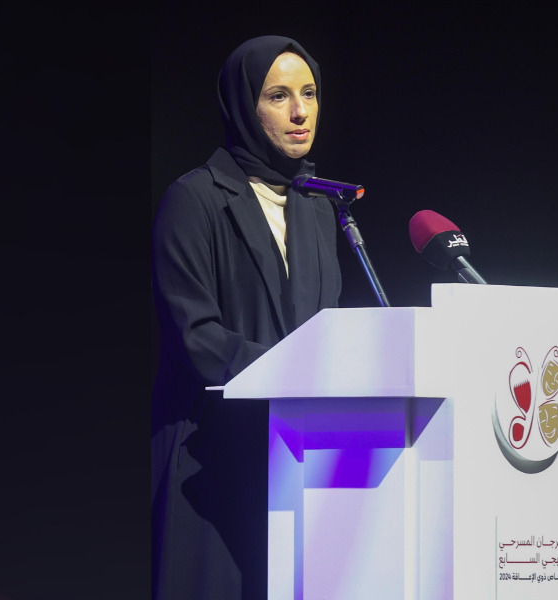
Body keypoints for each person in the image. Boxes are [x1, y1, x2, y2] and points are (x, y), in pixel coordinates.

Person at [150, 35, 342, 600]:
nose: (301, 111)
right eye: (278, 95)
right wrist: (296, 373)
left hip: (294, 457)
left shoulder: (318, 207)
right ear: (242, 104)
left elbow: (323, 329)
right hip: (209, 459)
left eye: (308, 93)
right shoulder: (195, 199)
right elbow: (196, 335)